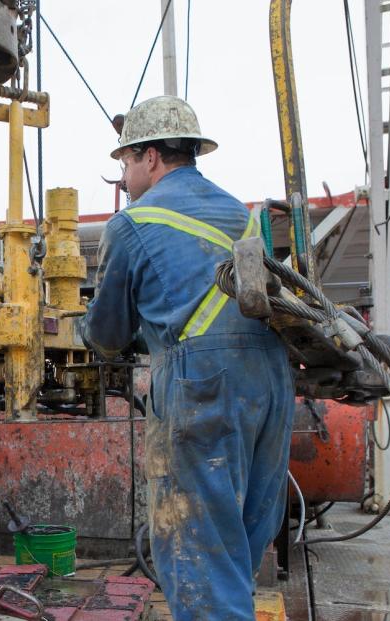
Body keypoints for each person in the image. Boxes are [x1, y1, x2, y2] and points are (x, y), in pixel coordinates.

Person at [79, 96, 295, 621]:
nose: (124, 177)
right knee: (240, 546)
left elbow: (107, 336)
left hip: (203, 385)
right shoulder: (240, 214)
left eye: (125, 163)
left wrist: (92, 332)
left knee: (198, 552)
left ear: (150, 157)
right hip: (270, 379)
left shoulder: (131, 224)